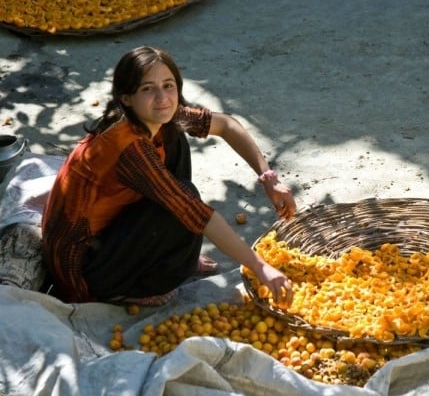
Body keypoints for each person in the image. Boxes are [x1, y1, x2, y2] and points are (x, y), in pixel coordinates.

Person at [41, 46, 296, 307]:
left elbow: (226, 125)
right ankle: (122, 291)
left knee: (174, 137)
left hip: (109, 234)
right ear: (126, 97)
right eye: (147, 88)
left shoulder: (154, 116)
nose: (162, 97)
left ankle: (172, 257)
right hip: (84, 268)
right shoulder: (129, 150)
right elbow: (196, 214)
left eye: (168, 85)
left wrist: (269, 177)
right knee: (184, 201)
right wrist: (261, 267)